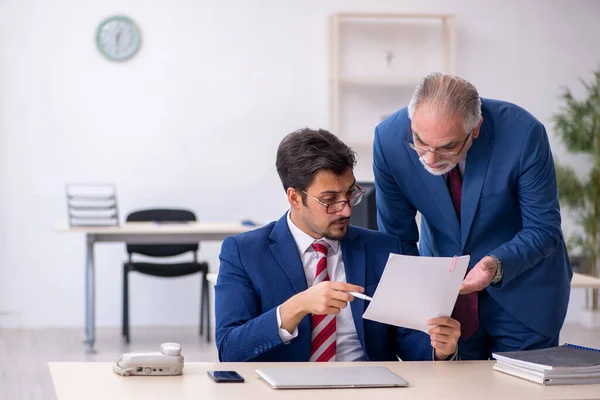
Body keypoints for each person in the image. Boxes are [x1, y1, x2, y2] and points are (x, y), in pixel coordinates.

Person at [215, 128, 461, 362]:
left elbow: (409, 341)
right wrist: (297, 307)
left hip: (370, 387)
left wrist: (441, 350)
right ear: (294, 198)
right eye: (329, 200)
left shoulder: (385, 250)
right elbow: (230, 349)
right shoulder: (244, 252)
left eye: (350, 193)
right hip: (287, 389)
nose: (345, 209)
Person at [373, 73, 572, 360]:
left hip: (524, 293)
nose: (430, 158)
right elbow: (396, 238)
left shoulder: (523, 134)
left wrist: (496, 264)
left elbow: (544, 228)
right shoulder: (388, 140)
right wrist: (414, 304)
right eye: (420, 141)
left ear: (475, 129)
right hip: (445, 298)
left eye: (448, 147)